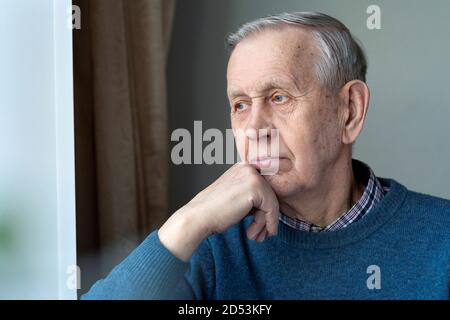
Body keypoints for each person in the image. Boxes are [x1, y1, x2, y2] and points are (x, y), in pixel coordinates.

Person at [82, 12, 450, 300]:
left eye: (279, 97)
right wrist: (186, 222)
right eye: (240, 104)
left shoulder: (441, 238)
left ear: (349, 111)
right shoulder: (208, 247)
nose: (255, 129)